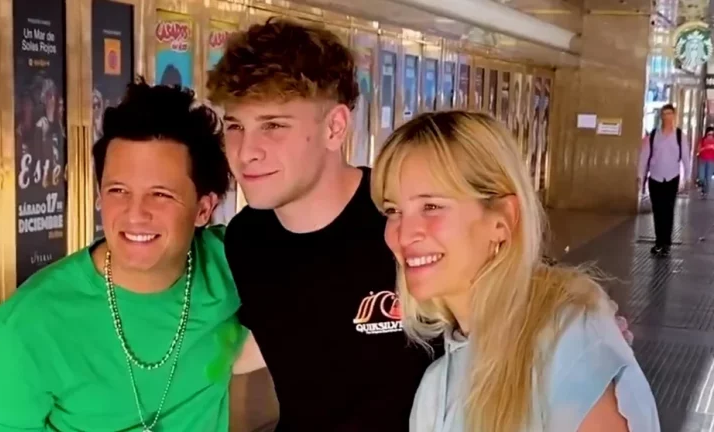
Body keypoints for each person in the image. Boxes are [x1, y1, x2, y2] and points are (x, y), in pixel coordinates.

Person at [208, 17, 634, 431]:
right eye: (235, 126)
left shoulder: (407, 220)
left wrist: (583, 331)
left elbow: (522, 290)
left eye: (274, 126)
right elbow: (287, 339)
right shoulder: (247, 239)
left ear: (335, 128)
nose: (246, 152)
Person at [0, 80, 249, 431]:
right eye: (118, 190)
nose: (135, 213)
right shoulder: (29, 328)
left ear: (203, 209)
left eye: (160, 195)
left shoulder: (234, 265)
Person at [373, 111, 659, 432]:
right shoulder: (435, 386)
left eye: (431, 206)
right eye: (393, 210)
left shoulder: (568, 345)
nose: (403, 233)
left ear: (502, 220)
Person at [638, 104, 691, 257]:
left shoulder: (680, 136)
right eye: (665, 114)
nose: (667, 117)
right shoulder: (653, 135)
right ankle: (658, 242)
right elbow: (644, 157)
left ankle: (666, 243)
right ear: (661, 116)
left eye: (670, 114)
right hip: (655, 178)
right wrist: (640, 175)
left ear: (674, 116)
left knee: (668, 210)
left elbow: (686, 158)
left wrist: (687, 178)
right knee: (658, 211)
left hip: (672, 177)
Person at [697, 126, 714, 197]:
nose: (710, 135)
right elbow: (698, 150)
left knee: (708, 177)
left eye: (712, 133)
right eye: (709, 133)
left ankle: (705, 191)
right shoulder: (702, 140)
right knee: (701, 176)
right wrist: (706, 147)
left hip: (711, 161)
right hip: (702, 159)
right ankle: (703, 188)